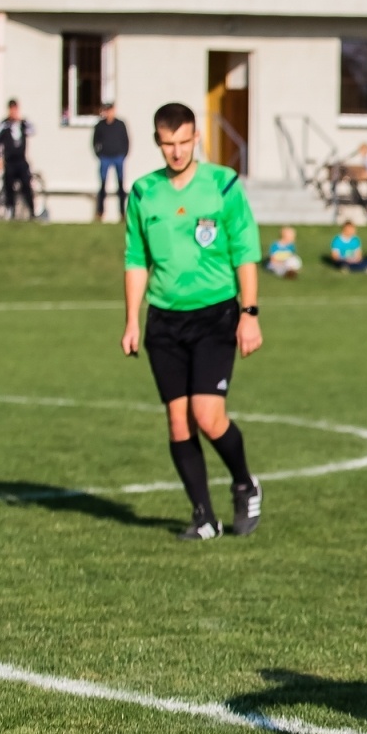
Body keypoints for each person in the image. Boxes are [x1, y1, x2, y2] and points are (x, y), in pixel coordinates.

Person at [121, 102, 263, 542]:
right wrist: (131, 320)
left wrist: (250, 313)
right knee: (178, 422)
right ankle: (203, 517)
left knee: (207, 414)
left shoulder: (223, 184)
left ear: (196, 137)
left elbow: (245, 250)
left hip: (215, 314)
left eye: (184, 142)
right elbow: (136, 259)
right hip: (163, 321)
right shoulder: (144, 193)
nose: (177, 152)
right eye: (168, 144)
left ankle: (244, 482)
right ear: (157, 142)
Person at [0, 99, 35, 220]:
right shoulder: (4, 125)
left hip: (21, 161)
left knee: (26, 184)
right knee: (8, 186)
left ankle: (31, 211)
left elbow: (33, 130)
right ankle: (10, 210)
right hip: (9, 161)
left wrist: (21, 120)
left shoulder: (23, 124)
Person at [93, 103, 130, 221]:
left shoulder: (120, 125)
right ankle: (100, 212)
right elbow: (94, 141)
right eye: (106, 111)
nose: (108, 113)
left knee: (120, 186)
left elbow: (126, 140)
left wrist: (124, 154)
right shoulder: (100, 126)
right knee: (103, 185)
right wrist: (99, 154)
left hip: (118, 157)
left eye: (110, 110)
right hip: (105, 157)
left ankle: (122, 213)